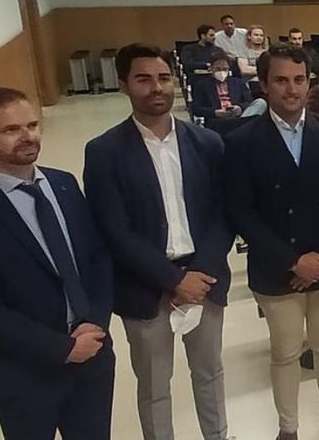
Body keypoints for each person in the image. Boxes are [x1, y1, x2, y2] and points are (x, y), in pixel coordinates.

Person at [0, 87, 115, 439]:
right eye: (10, 130)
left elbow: (97, 259)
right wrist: (64, 349)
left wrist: (95, 325)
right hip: (22, 371)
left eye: (32, 124)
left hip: (92, 354)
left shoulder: (64, 184)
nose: (27, 136)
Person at [83, 44, 234, 440]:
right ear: (124, 85)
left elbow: (224, 214)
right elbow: (113, 230)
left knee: (210, 372)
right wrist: (172, 280)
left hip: (204, 281)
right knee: (154, 386)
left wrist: (199, 273)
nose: (156, 87)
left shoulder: (207, 143)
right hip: (144, 286)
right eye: (143, 79)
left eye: (163, 78)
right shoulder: (104, 152)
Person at [224, 45, 319, 440]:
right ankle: (288, 428)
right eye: (281, 80)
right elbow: (241, 212)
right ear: (264, 85)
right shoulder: (241, 141)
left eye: (299, 80)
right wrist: (293, 261)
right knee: (285, 352)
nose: (291, 89)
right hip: (275, 268)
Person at [190, 52, 251, 122]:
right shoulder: (202, 85)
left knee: (260, 103)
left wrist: (240, 108)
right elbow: (196, 109)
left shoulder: (239, 83)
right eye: (218, 69)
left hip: (238, 117)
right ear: (211, 68)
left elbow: (249, 102)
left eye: (225, 69)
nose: (222, 72)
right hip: (216, 120)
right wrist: (214, 112)